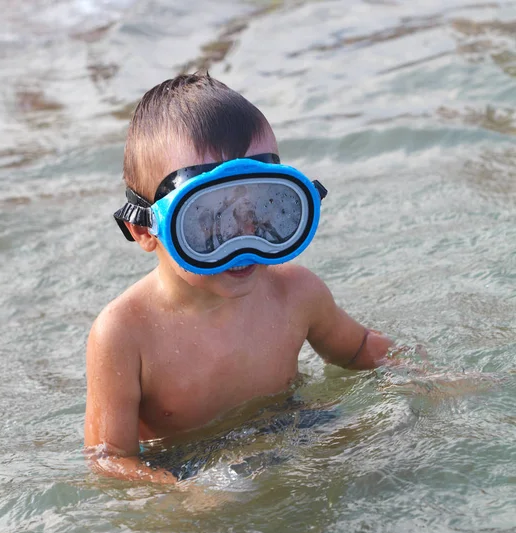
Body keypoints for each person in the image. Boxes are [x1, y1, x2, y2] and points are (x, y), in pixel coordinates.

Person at [84, 73, 394, 484]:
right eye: (210, 218)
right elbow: (108, 459)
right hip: (189, 471)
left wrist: (421, 375)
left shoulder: (298, 292)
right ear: (145, 229)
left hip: (295, 432)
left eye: (264, 207)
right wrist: (184, 495)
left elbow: (360, 351)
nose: (244, 236)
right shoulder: (124, 333)